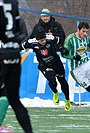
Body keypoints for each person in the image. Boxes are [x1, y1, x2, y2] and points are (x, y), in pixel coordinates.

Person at [0, 0, 33, 132]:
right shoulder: (13, 3)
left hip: (1, 52)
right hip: (14, 53)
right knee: (14, 99)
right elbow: (17, 27)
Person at [22, 27, 71, 111]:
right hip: (44, 65)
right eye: (41, 40)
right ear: (37, 40)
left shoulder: (51, 38)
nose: (44, 42)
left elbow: (62, 39)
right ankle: (55, 92)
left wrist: (62, 48)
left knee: (62, 81)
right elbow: (21, 46)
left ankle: (67, 100)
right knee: (52, 80)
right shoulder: (31, 42)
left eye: (44, 39)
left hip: (56, 63)